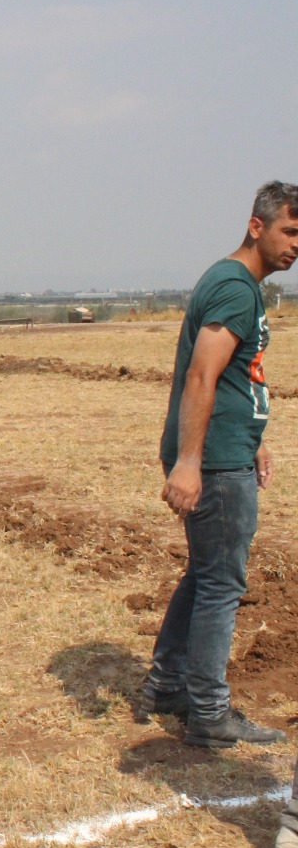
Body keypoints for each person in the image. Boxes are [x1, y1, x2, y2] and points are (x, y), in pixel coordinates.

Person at [141, 180, 298, 761]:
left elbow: (236, 377)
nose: (296, 245)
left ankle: (168, 685)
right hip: (213, 461)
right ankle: (208, 713)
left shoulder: (236, 284)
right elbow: (202, 376)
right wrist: (189, 462)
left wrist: (253, 437)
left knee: (206, 574)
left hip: (228, 449)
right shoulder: (235, 288)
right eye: (290, 230)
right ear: (257, 226)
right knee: (222, 584)